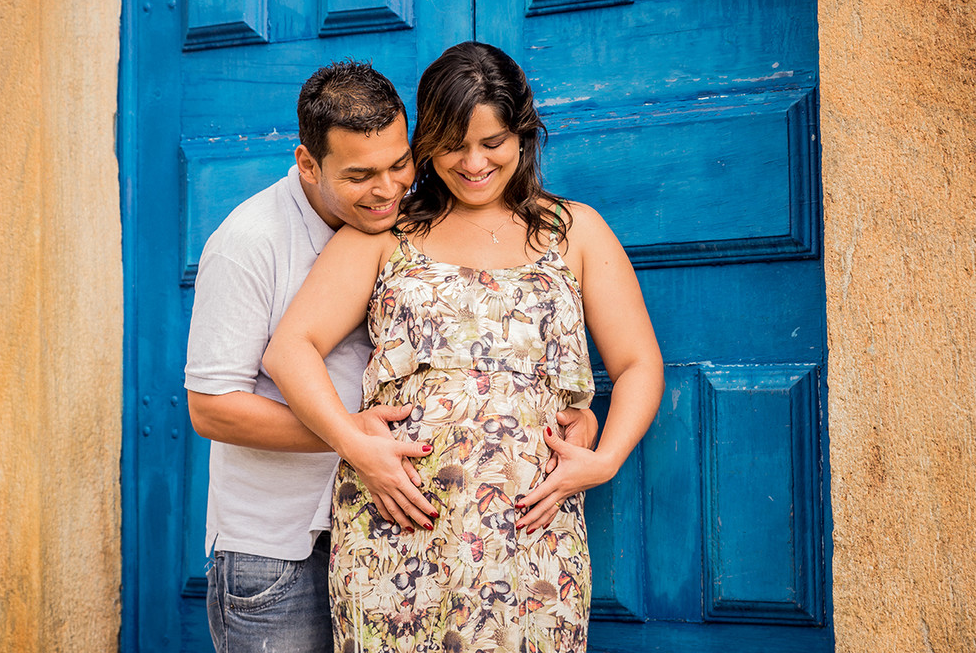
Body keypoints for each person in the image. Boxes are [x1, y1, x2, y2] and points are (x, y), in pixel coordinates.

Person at [263, 42, 665, 653]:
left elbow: (638, 363)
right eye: (452, 143)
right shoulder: (384, 236)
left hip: (530, 538)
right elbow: (290, 348)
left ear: (523, 136)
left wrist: (606, 457)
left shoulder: (574, 232)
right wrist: (354, 444)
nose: (473, 162)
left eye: (493, 142)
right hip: (398, 534)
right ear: (426, 143)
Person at [185, 59, 597, 653]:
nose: (387, 189)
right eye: (359, 175)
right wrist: (354, 441)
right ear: (308, 163)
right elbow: (212, 410)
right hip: (281, 554)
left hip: (392, 535)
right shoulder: (250, 244)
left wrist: (565, 414)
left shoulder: (400, 228)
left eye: (399, 163)